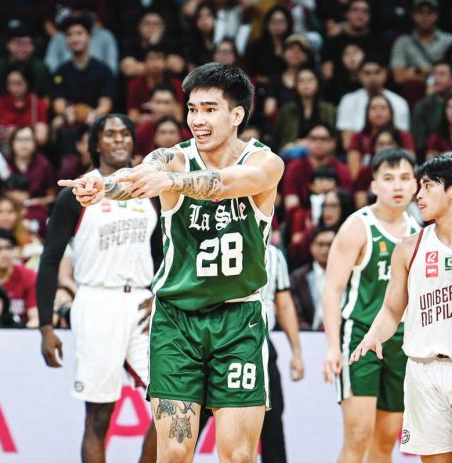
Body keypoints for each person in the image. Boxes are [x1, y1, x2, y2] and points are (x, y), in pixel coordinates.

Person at [60, 62, 284, 463]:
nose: (197, 119)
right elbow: (137, 176)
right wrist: (103, 186)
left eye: (209, 109)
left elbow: (229, 185)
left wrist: (174, 184)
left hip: (239, 321)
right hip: (177, 321)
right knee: (176, 451)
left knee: (237, 454)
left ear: (237, 115)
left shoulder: (265, 163)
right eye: (193, 109)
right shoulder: (172, 158)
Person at [38, 114, 161, 463]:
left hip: (142, 302)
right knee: (99, 415)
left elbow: (167, 252)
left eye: (125, 133)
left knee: (173, 405)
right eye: (110, 134)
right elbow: (49, 261)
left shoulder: (147, 188)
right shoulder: (78, 192)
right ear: (96, 143)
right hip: (96, 301)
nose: (119, 140)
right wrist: (46, 326)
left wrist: (160, 294)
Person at [350, 154, 452, 460]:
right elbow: (393, 309)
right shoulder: (409, 246)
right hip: (423, 369)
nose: (418, 195)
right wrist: (374, 335)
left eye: (428, 186)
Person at [322, 149, 419, 462]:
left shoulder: (419, 233)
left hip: (402, 344)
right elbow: (332, 289)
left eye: (405, 178)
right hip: (360, 338)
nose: (398, 186)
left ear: (416, 184)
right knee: (359, 436)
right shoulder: (357, 225)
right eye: (388, 179)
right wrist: (333, 347)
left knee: (385, 442)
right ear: (374, 185)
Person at [259, 244, 305, 463]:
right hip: (213, 343)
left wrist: (296, 352)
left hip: (261, 346)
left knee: (272, 425)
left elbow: (284, 304)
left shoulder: (274, 255)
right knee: (186, 425)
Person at [290, 225, 337, 330]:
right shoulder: (298, 277)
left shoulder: (348, 275)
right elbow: (294, 313)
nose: (325, 249)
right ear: (312, 247)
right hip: (306, 337)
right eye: (321, 244)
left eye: (330, 244)